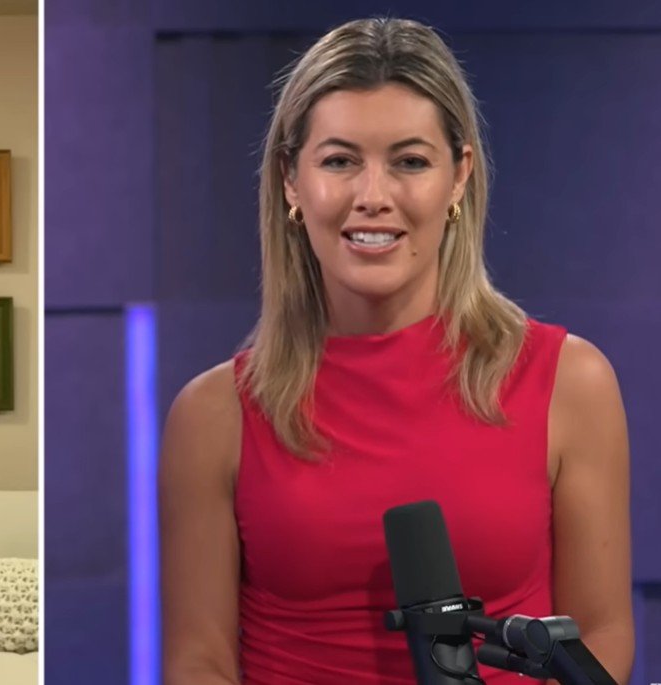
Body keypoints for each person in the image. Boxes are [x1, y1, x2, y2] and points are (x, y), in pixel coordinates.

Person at [158, 17, 634, 685]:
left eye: (409, 161)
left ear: (459, 177)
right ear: (292, 182)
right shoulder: (212, 415)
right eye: (339, 160)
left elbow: (602, 631)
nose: (372, 197)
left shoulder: (570, 382)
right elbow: (198, 659)